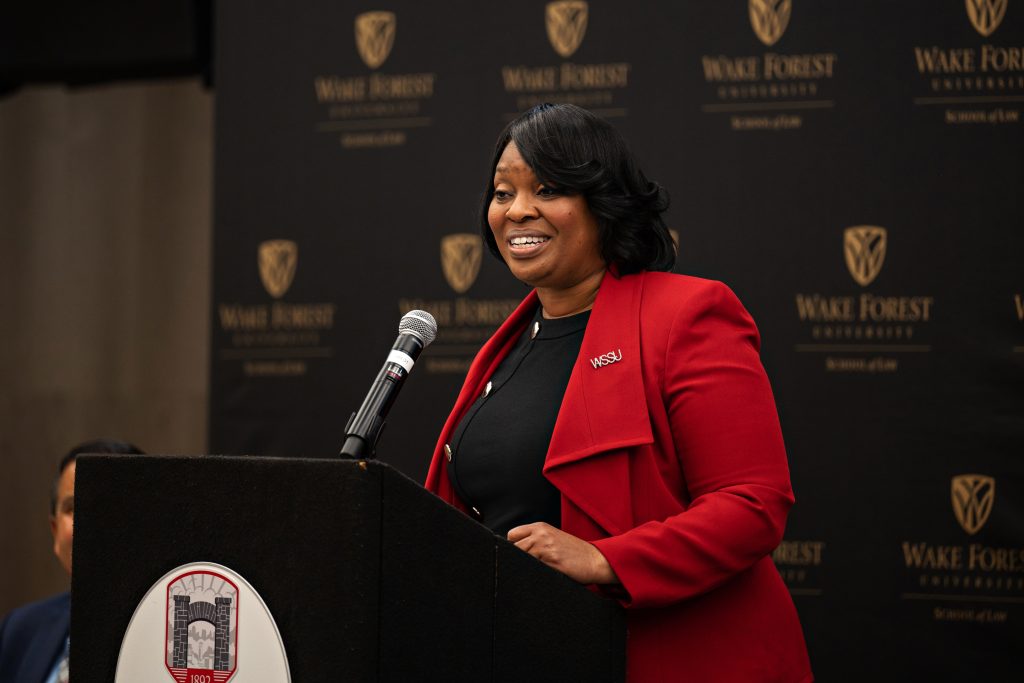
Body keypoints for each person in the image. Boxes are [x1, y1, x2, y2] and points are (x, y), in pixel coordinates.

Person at [425, 103, 812, 681]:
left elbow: (752, 505)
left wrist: (605, 557)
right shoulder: (504, 348)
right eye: (503, 193)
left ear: (603, 204)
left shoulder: (688, 315)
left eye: (549, 188)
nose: (518, 210)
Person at [0, 438, 144, 683]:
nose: (93, 523)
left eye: (112, 506)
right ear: (55, 530)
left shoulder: (178, 639)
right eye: (75, 507)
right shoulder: (20, 630)